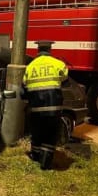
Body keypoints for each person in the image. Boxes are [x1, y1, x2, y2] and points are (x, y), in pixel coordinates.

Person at [22, 41, 68, 170]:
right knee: (50, 135)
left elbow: (24, 86)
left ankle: (36, 157)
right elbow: (65, 80)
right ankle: (45, 163)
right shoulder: (58, 64)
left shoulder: (30, 67)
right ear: (49, 50)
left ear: (38, 50)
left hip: (35, 109)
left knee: (37, 133)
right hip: (53, 109)